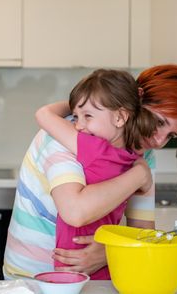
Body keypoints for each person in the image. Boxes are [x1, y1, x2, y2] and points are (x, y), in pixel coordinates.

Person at [3, 64, 177, 278]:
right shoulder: (64, 136)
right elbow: (75, 212)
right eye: (159, 122)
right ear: (135, 103)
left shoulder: (144, 151)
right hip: (32, 276)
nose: (159, 140)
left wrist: (108, 251)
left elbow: (143, 231)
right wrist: (139, 175)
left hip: (90, 279)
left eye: (171, 135)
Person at [35, 69, 158, 279]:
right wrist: (86, 102)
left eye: (88, 116)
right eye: (76, 117)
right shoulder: (134, 157)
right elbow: (144, 233)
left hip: (72, 263)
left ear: (120, 117)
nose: (79, 126)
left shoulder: (94, 149)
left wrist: (77, 102)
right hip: (106, 258)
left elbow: (43, 114)